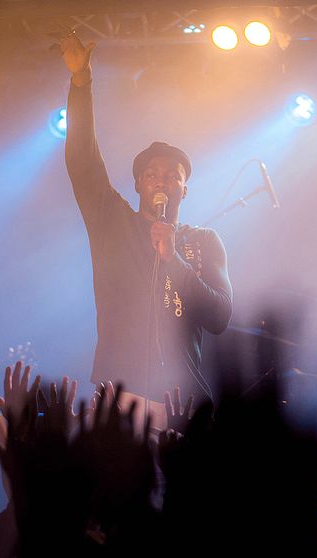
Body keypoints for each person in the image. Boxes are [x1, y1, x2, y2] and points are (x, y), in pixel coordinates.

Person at [59, 32, 232, 425]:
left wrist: (174, 260)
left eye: (173, 176)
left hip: (183, 400)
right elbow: (83, 161)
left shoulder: (203, 241)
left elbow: (220, 316)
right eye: (152, 174)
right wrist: (81, 83)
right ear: (137, 184)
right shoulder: (112, 221)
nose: (161, 180)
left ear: (185, 189)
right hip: (119, 396)